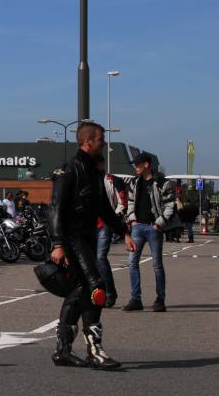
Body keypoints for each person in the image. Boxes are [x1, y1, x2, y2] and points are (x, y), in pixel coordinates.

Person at [49, 121, 135, 369]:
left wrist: (124, 232)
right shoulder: (69, 170)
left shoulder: (95, 172)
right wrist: (57, 244)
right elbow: (55, 208)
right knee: (96, 287)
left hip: (87, 237)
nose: (104, 143)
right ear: (88, 142)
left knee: (79, 291)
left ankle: (63, 350)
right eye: (100, 139)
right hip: (71, 239)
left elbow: (104, 209)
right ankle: (95, 351)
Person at [123, 152, 175, 313]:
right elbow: (130, 202)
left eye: (138, 164)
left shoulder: (162, 182)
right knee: (132, 262)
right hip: (137, 227)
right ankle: (136, 299)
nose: (135, 167)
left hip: (154, 227)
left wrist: (159, 223)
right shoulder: (134, 182)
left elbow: (170, 205)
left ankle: (160, 300)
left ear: (146, 165)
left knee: (157, 265)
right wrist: (132, 220)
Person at [93, 156, 127, 308]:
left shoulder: (114, 180)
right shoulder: (84, 180)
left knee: (100, 257)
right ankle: (95, 293)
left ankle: (110, 293)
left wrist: (113, 218)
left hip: (105, 224)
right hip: (87, 225)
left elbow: (123, 203)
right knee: (90, 259)